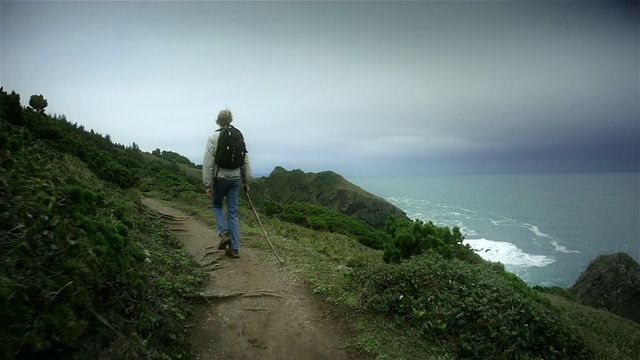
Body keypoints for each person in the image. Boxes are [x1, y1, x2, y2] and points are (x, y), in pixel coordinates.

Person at [202, 109, 251, 258]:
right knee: (232, 212)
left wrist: (207, 184)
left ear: (218, 121)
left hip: (219, 179)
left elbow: (208, 162)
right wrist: (246, 181)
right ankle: (235, 248)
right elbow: (245, 160)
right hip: (235, 179)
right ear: (231, 120)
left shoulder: (213, 137)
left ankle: (223, 232)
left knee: (217, 205)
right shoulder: (238, 135)